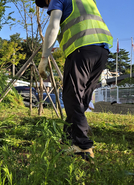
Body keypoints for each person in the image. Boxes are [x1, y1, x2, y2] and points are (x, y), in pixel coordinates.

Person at [36, 0, 113, 161]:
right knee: (82, 97)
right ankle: (68, 138)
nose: (47, 8)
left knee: (72, 97)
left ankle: (83, 145)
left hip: (81, 48)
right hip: (102, 50)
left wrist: (44, 58)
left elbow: (53, 25)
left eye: (45, 5)